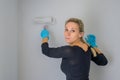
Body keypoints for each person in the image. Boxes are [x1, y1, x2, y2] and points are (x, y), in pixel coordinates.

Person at [40, 18, 108, 80]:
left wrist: (45, 37)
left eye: (73, 31)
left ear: (80, 34)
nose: (68, 34)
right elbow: (103, 62)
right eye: (66, 29)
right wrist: (94, 46)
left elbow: (46, 50)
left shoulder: (69, 50)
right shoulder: (88, 48)